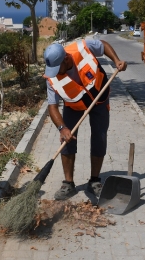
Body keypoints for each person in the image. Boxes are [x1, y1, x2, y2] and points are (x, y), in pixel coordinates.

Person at [43, 39, 127, 200]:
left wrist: (116, 61)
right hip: (73, 106)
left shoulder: (81, 47)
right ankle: (68, 184)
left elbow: (104, 45)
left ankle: (94, 181)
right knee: (66, 140)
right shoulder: (51, 78)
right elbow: (52, 106)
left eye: (56, 68)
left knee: (99, 138)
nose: (53, 73)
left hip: (99, 101)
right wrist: (62, 128)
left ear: (66, 59)